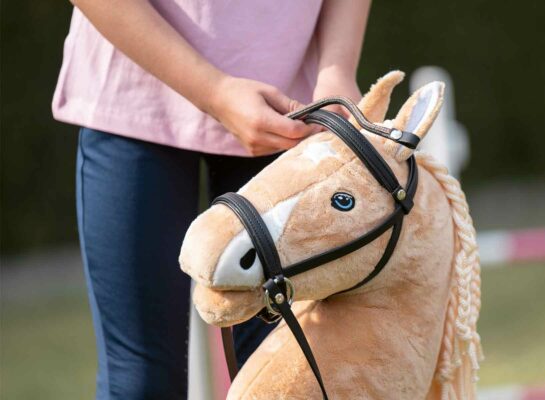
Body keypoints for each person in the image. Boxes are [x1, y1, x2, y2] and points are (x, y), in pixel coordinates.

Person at [51, 0, 370, 398]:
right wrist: (214, 91)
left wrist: (338, 67)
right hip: (133, 98)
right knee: (141, 385)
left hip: (289, 116)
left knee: (285, 379)